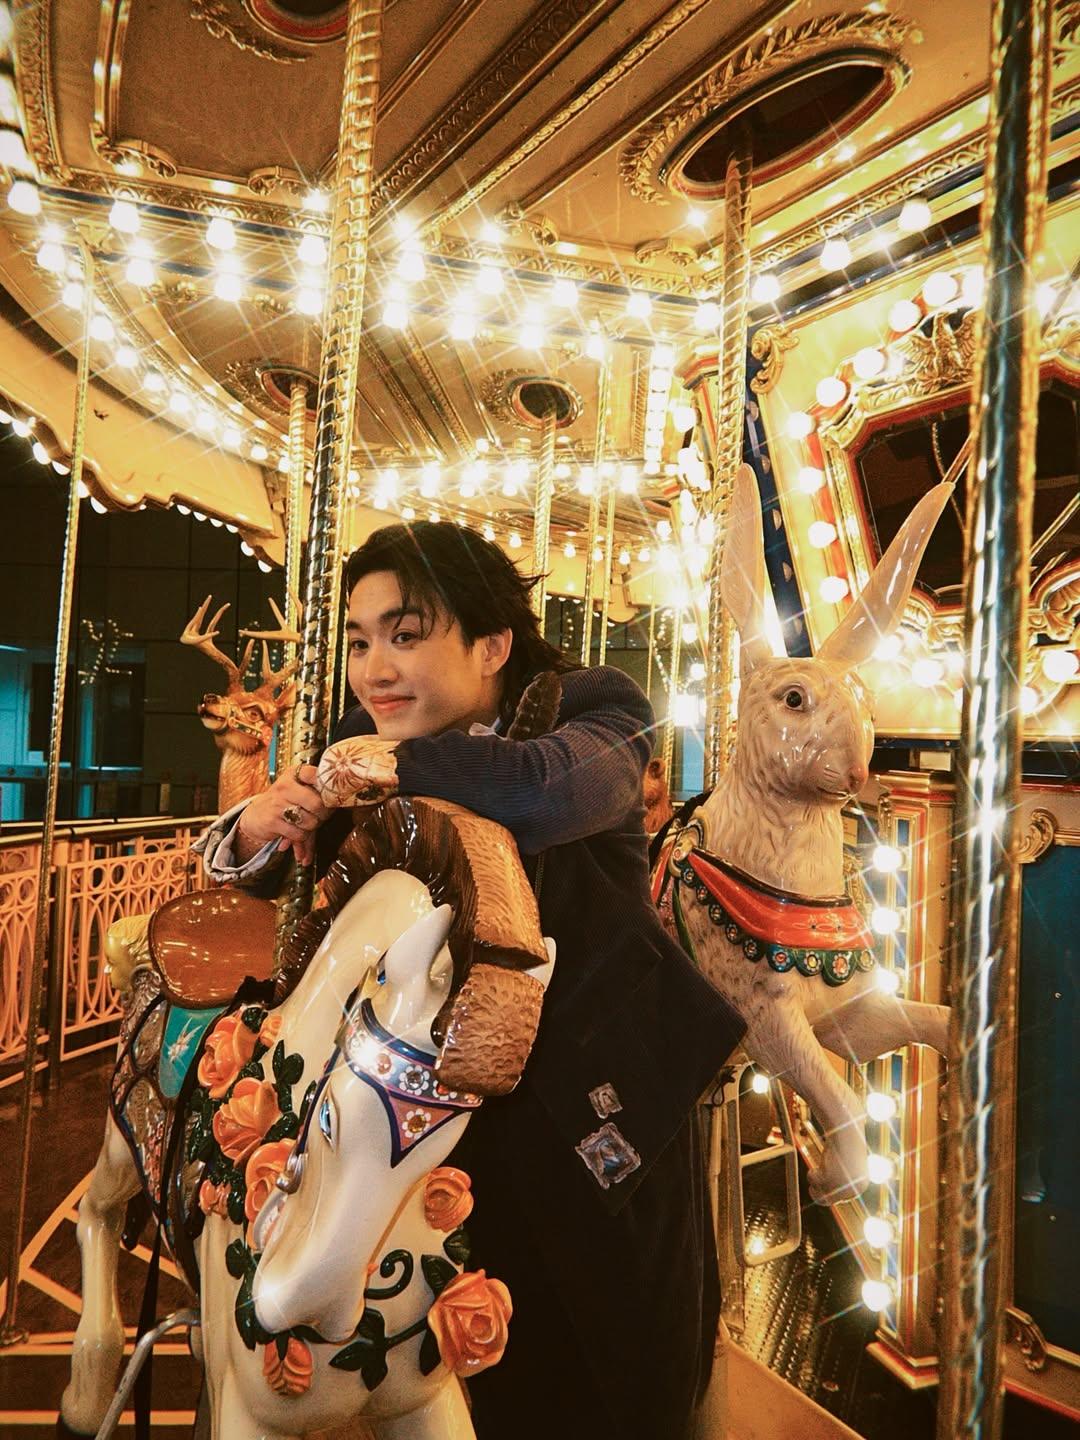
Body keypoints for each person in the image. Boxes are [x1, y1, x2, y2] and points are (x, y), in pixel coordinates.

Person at [198, 520, 745, 1440]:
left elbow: (540, 792)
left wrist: (385, 766)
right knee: (455, 1367)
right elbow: (287, 875)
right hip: (441, 1112)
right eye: (360, 641)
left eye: (406, 635)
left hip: (593, 1095)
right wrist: (259, 824)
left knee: (619, 1364)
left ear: (491, 644)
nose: (375, 668)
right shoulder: (361, 739)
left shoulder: (594, 710)